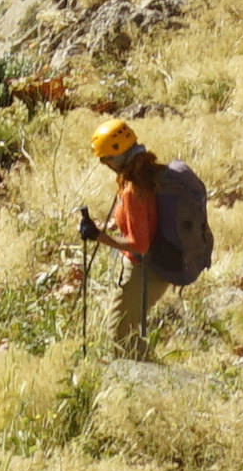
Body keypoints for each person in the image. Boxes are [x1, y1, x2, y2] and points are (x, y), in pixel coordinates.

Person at [77, 117, 208, 357]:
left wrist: (98, 236)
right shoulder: (153, 173)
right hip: (160, 264)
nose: (105, 164)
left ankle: (148, 378)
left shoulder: (133, 190)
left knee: (120, 333)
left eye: (105, 159)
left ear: (116, 158)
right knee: (127, 331)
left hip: (145, 271)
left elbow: (140, 245)